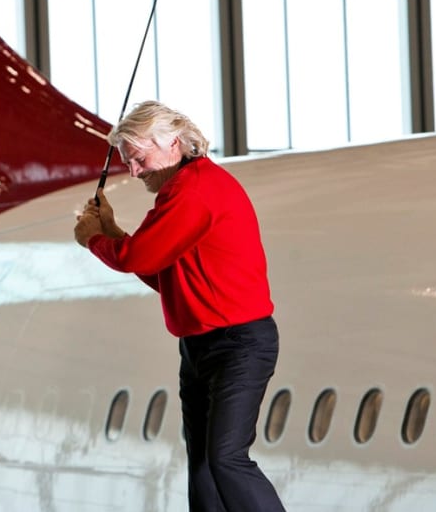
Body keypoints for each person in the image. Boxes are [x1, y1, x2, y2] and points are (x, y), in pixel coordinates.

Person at [74, 101, 285, 511]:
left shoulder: (195, 191)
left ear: (173, 143)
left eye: (137, 159)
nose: (134, 172)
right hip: (201, 346)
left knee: (226, 458)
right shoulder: (180, 190)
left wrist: (94, 239)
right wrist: (113, 232)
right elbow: (162, 273)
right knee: (204, 466)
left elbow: (137, 258)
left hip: (237, 345)